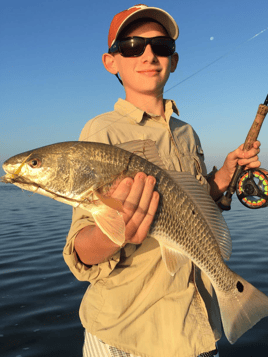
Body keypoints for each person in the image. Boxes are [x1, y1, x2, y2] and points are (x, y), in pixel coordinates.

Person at [63, 5, 261, 357]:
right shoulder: (99, 132)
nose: (148, 55)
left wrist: (222, 178)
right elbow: (81, 251)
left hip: (195, 331)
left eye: (161, 47)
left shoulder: (187, 133)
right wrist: (116, 229)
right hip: (124, 333)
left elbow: (195, 205)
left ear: (174, 59)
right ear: (111, 62)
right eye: (132, 46)